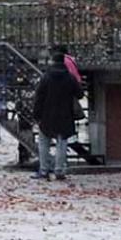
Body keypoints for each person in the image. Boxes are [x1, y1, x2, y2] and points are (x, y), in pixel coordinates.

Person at [32, 51, 81, 181]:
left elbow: (39, 97)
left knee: (43, 143)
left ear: (52, 61)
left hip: (47, 115)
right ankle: (59, 170)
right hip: (65, 115)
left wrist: (36, 115)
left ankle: (44, 170)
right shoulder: (70, 77)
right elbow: (80, 94)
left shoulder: (46, 77)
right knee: (62, 143)